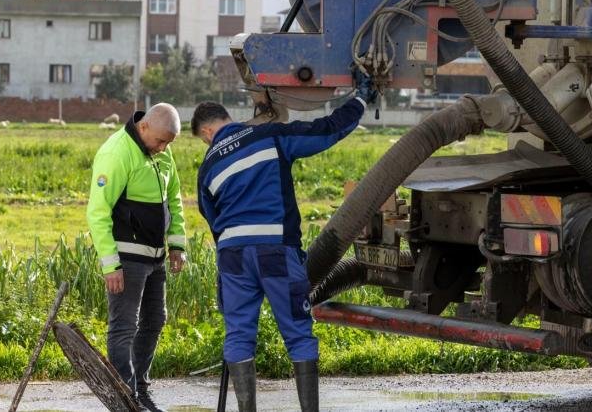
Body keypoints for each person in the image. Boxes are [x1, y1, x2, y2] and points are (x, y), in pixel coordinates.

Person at [191, 73, 378, 412]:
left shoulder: (208, 167)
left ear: (206, 132)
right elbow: (325, 131)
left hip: (233, 257)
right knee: (297, 331)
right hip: (275, 250)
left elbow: (212, 220)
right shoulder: (269, 137)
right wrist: (360, 100)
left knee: (238, 334)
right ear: (225, 119)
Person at [87, 103, 187, 412]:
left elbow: (173, 198)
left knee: (155, 320)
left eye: (168, 143)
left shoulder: (161, 150)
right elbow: (97, 212)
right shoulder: (116, 153)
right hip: (126, 257)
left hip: (156, 256)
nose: (163, 148)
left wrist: (177, 244)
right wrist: (110, 264)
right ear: (144, 127)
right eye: (160, 141)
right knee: (124, 327)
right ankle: (126, 401)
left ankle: (140, 392)